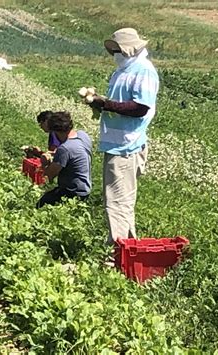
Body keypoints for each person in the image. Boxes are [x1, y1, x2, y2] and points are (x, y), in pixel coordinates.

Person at [88, 28, 159, 243]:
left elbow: (140, 107)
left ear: (129, 49)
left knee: (117, 201)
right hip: (116, 144)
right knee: (120, 200)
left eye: (117, 50)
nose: (114, 55)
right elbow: (120, 104)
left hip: (127, 146)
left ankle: (116, 253)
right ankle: (127, 247)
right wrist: (101, 104)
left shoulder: (143, 71)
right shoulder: (123, 70)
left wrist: (106, 104)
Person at [37, 111, 92, 208]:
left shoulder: (65, 149)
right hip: (85, 188)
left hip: (72, 191)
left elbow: (49, 176)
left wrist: (45, 162)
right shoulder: (83, 135)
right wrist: (55, 154)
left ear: (56, 131)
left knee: (41, 204)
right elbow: (74, 154)